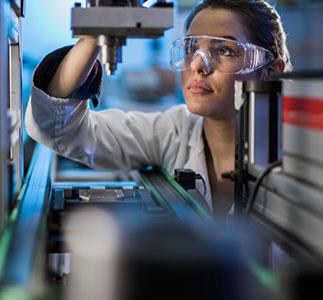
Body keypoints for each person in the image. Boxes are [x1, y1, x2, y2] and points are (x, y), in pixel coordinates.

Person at [25, 0, 292, 220]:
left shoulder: (305, 159)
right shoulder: (174, 131)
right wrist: (96, 34)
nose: (199, 65)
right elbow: (55, 126)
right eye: (191, 48)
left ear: (270, 72)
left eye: (224, 50)